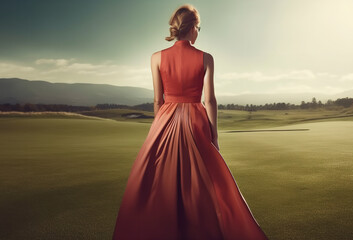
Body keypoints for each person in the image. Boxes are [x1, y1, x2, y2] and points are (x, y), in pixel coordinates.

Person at [112, 4, 269, 240]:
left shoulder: (156, 58)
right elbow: (211, 100)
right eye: (199, 27)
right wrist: (215, 136)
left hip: (164, 119)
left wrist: (160, 128)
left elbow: (157, 100)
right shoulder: (206, 58)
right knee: (204, 183)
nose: (199, 32)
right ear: (193, 28)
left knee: (155, 182)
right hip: (197, 121)